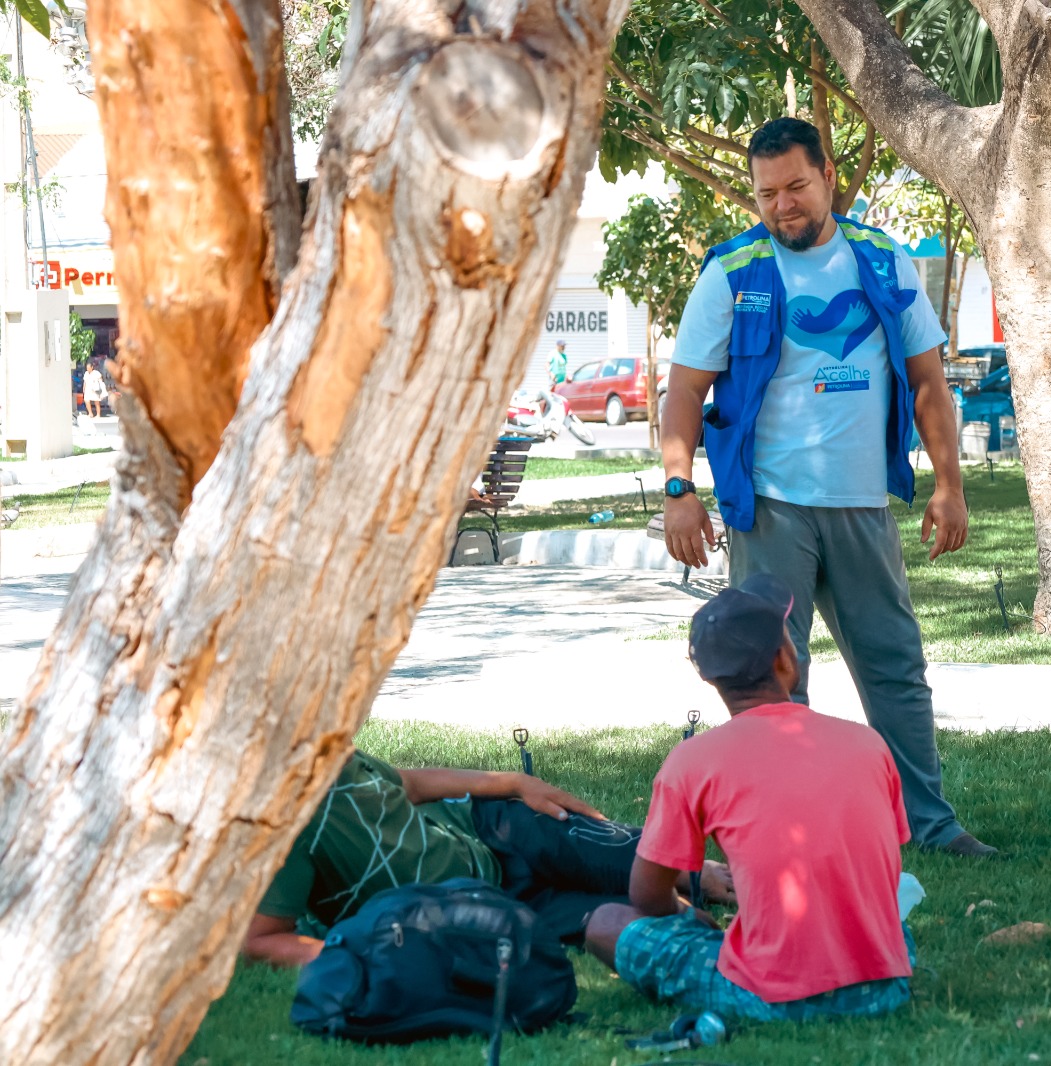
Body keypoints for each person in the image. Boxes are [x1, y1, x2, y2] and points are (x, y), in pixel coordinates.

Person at [658, 117, 992, 858]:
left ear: (830, 175)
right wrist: (680, 487)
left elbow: (928, 382)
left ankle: (928, 825)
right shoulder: (732, 272)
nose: (782, 205)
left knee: (895, 666)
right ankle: (791, 828)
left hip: (863, 504)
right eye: (767, 193)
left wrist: (949, 485)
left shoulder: (884, 262)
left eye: (796, 186)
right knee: (774, 676)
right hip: (771, 508)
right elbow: (682, 393)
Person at [583, 574, 919, 1022]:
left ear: (706, 675)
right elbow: (882, 867)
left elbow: (646, 897)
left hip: (769, 997)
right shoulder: (867, 743)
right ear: (786, 659)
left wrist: (687, 916)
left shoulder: (691, 762)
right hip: (886, 984)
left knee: (605, 922)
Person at [243, 749, 731, 966]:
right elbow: (260, 940)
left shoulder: (333, 753)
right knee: (618, 920)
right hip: (481, 910)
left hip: (495, 832)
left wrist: (513, 782)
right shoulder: (278, 821)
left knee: (621, 854)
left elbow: (409, 784)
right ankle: (703, 910)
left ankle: (704, 876)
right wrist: (354, 958)